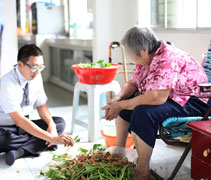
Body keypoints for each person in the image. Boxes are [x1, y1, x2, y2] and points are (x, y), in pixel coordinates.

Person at [102, 26, 210, 180]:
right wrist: (117, 100)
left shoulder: (168, 57)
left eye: (133, 55)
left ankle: (142, 172)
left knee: (142, 113)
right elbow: (133, 83)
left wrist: (121, 105)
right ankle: (120, 154)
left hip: (193, 101)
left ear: (144, 50)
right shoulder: (147, 57)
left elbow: (158, 97)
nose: (132, 59)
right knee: (126, 106)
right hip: (172, 98)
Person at [0, 44, 74, 166]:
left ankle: (20, 151)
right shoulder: (7, 83)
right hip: (6, 128)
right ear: (20, 65)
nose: (38, 72)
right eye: (34, 67)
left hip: (26, 126)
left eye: (41, 67)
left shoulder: (36, 77)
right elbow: (19, 120)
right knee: (4, 140)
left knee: (59, 123)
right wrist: (52, 138)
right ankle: (39, 144)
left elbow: (42, 106)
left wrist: (51, 126)